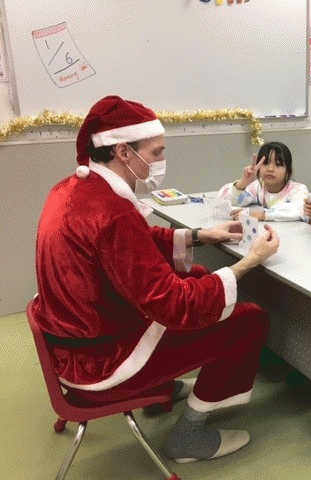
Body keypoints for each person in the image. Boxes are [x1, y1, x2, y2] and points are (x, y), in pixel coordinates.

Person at [32, 95, 280, 463]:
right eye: (157, 152)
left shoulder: (74, 188)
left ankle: (163, 384)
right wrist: (247, 263)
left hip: (75, 342)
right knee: (250, 319)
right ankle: (189, 437)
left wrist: (198, 236)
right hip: (102, 361)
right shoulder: (113, 212)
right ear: (124, 152)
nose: (161, 160)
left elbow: (134, 244)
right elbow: (174, 305)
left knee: (198, 274)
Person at [218, 141, 309, 221]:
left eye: (278, 164)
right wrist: (242, 184)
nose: (270, 169)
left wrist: (260, 214)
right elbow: (224, 200)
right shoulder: (258, 186)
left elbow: (300, 210)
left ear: (288, 171)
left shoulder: (298, 189)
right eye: (265, 163)